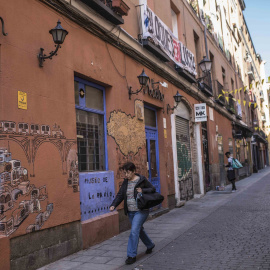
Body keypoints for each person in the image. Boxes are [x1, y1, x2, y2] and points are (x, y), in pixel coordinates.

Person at [110, 162, 156, 265]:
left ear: (133, 171)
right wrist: (114, 205)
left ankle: (131, 255)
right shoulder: (126, 182)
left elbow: (152, 189)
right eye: (124, 173)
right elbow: (120, 195)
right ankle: (150, 245)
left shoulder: (142, 180)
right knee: (139, 230)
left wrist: (142, 190)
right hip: (131, 212)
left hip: (141, 211)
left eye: (128, 172)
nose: (126, 175)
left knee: (134, 231)